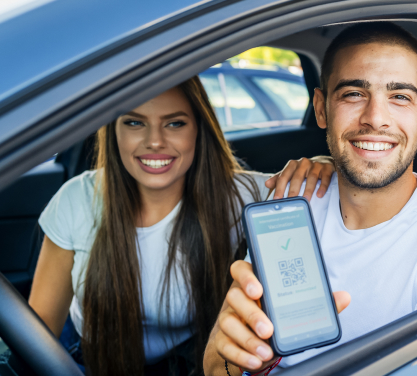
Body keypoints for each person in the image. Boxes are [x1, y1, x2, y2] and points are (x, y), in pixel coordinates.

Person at [204, 22, 417, 375]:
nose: (375, 119)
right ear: (321, 109)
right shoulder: (293, 202)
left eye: (399, 97)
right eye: (353, 94)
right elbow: (216, 365)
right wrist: (240, 360)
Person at [29, 77, 336, 376]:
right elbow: (37, 334)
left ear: (199, 130)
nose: (154, 141)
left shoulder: (243, 196)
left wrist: (326, 163)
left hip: (184, 364)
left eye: (175, 123)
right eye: (134, 122)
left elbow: (316, 186)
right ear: (113, 132)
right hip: (85, 360)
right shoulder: (76, 199)